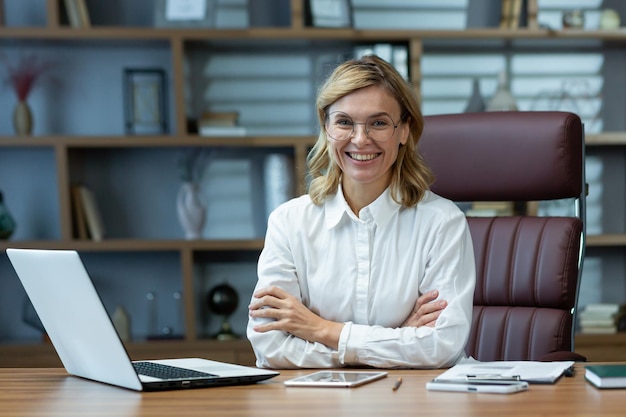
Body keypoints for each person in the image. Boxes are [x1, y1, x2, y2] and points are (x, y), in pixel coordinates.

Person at [247, 55, 475, 369]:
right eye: (344, 122)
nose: (360, 139)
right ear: (326, 127)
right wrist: (397, 338)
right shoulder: (288, 223)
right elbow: (268, 345)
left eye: (378, 123)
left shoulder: (442, 222)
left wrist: (320, 330)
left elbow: (442, 346)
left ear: (404, 130)